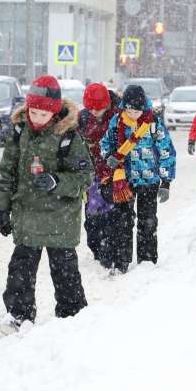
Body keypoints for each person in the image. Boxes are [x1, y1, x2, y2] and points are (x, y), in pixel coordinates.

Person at [0, 75, 94, 331]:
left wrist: (56, 181)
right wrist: (1, 207)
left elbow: (85, 176)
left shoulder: (68, 137)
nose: (36, 118)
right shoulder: (19, 132)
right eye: (32, 112)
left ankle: (73, 318)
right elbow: (7, 173)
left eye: (42, 114)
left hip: (61, 217)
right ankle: (18, 315)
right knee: (20, 270)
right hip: (27, 214)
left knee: (65, 271)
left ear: (54, 112)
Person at [101, 85, 176, 274]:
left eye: (136, 110)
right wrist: (108, 155)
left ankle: (147, 260)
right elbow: (105, 143)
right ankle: (120, 261)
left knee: (147, 221)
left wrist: (166, 182)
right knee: (122, 221)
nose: (132, 114)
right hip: (124, 181)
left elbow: (166, 151)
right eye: (128, 110)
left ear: (143, 107)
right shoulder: (117, 121)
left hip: (149, 181)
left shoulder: (153, 123)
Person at [78, 83, 119, 269]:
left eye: (99, 108)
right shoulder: (83, 118)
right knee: (93, 214)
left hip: (113, 174)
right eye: (91, 108)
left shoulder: (117, 117)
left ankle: (109, 250)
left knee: (111, 214)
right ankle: (96, 246)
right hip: (92, 174)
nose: (95, 111)